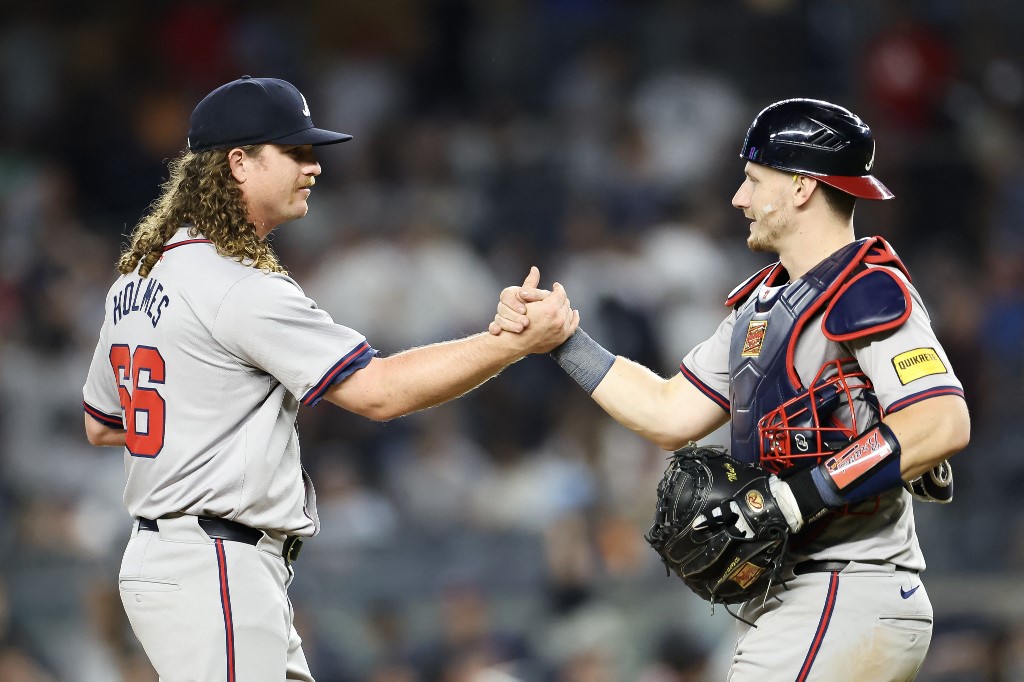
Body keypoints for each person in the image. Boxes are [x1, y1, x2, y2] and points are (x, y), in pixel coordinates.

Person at [81, 75, 578, 681]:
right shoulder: (238, 286)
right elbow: (379, 392)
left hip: (180, 559)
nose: (313, 167)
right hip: (214, 563)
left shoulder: (135, 281)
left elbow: (104, 425)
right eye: (296, 152)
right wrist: (507, 344)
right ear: (238, 163)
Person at [493, 98, 970, 680]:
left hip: (844, 587)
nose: (739, 198)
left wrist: (795, 498)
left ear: (800, 187)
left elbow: (941, 422)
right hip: (802, 599)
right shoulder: (765, 306)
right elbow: (669, 412)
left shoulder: (866, 290)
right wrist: (565, 340)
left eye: (752, 179)